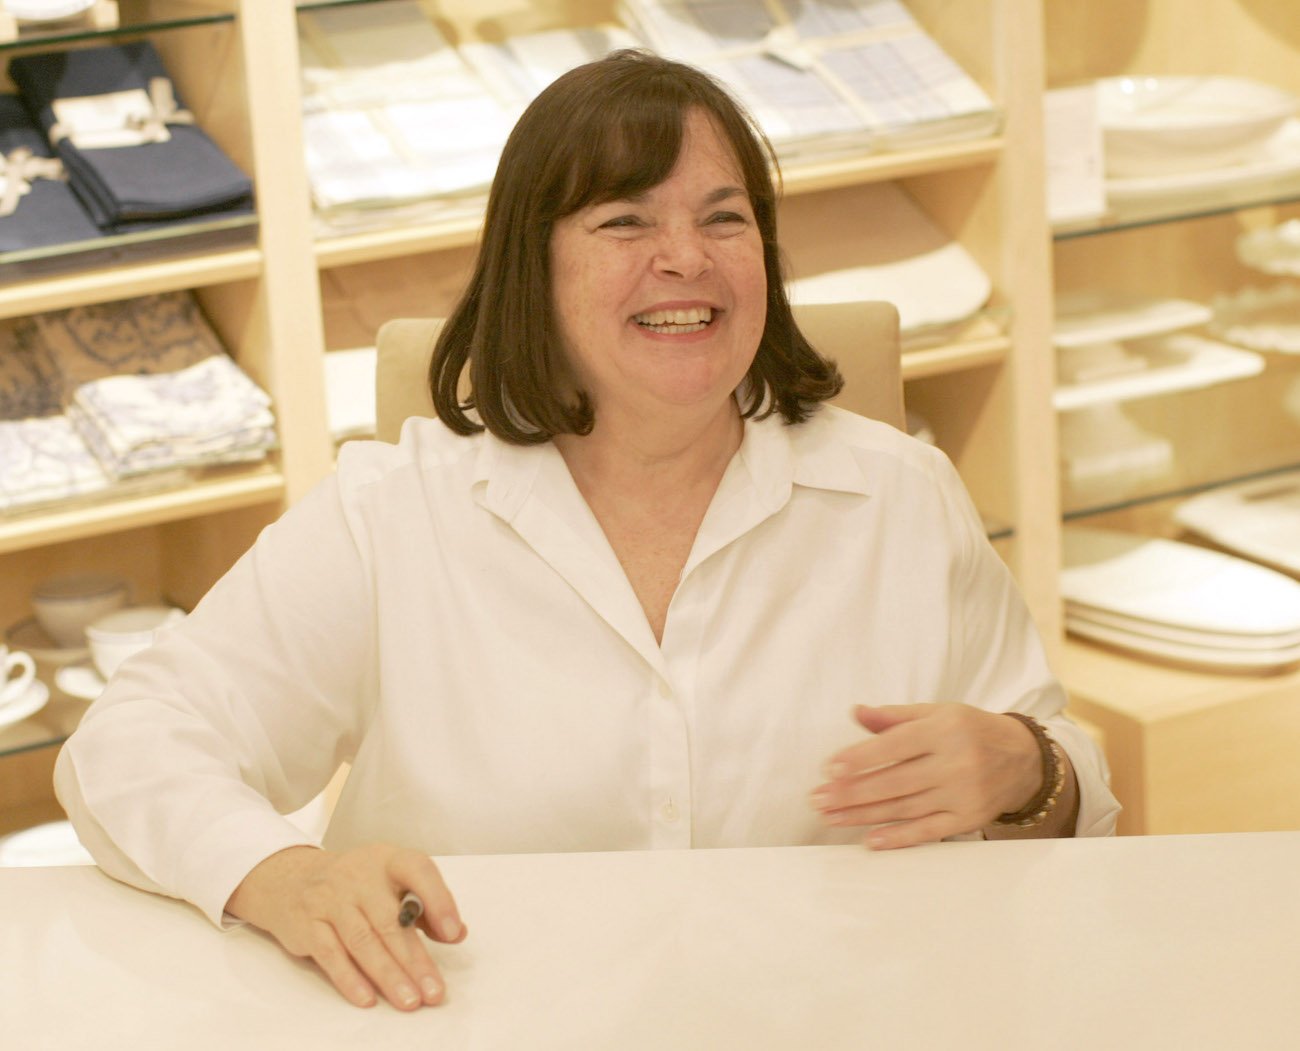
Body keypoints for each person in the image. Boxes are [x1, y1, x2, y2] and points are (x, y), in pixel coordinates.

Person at [55, 50, 1119, 1012]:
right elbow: (131, 744)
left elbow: (1066, 774)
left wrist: (1028, 770)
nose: (685, 259)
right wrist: (280, 874)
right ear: (536, 268)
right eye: (624, 223)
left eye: (723, 218)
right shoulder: (396, 512)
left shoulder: (899, 495)